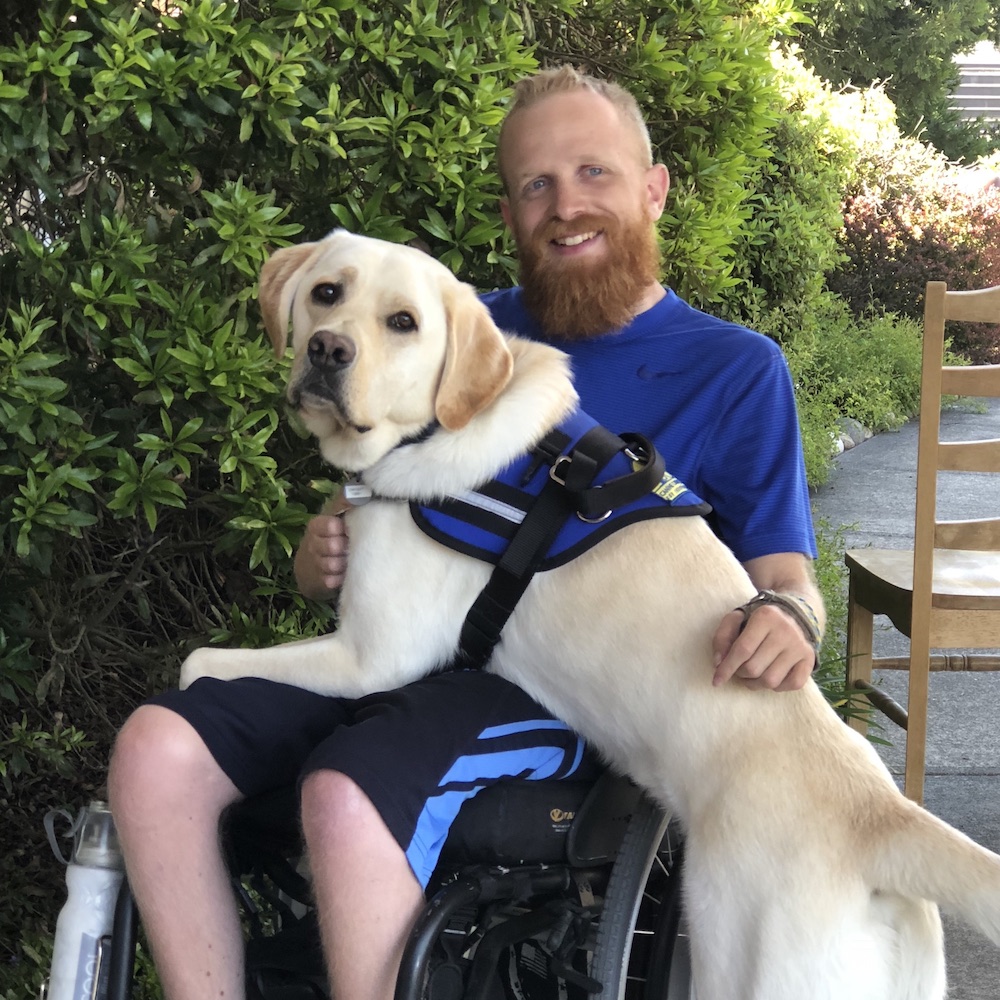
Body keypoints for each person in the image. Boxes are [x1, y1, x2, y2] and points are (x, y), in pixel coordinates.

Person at [108, 65, 824, 1000]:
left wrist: (790, 616)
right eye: (536, 184)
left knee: (347, 794)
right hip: (385, 652)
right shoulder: (441, 321)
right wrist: (321, 554)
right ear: (510, 209)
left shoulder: (735, 370)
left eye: (594, 173)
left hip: (554, 689)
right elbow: (376, 508)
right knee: (156, 749)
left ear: (653, 189)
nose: (566, 205)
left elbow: (784, 573)